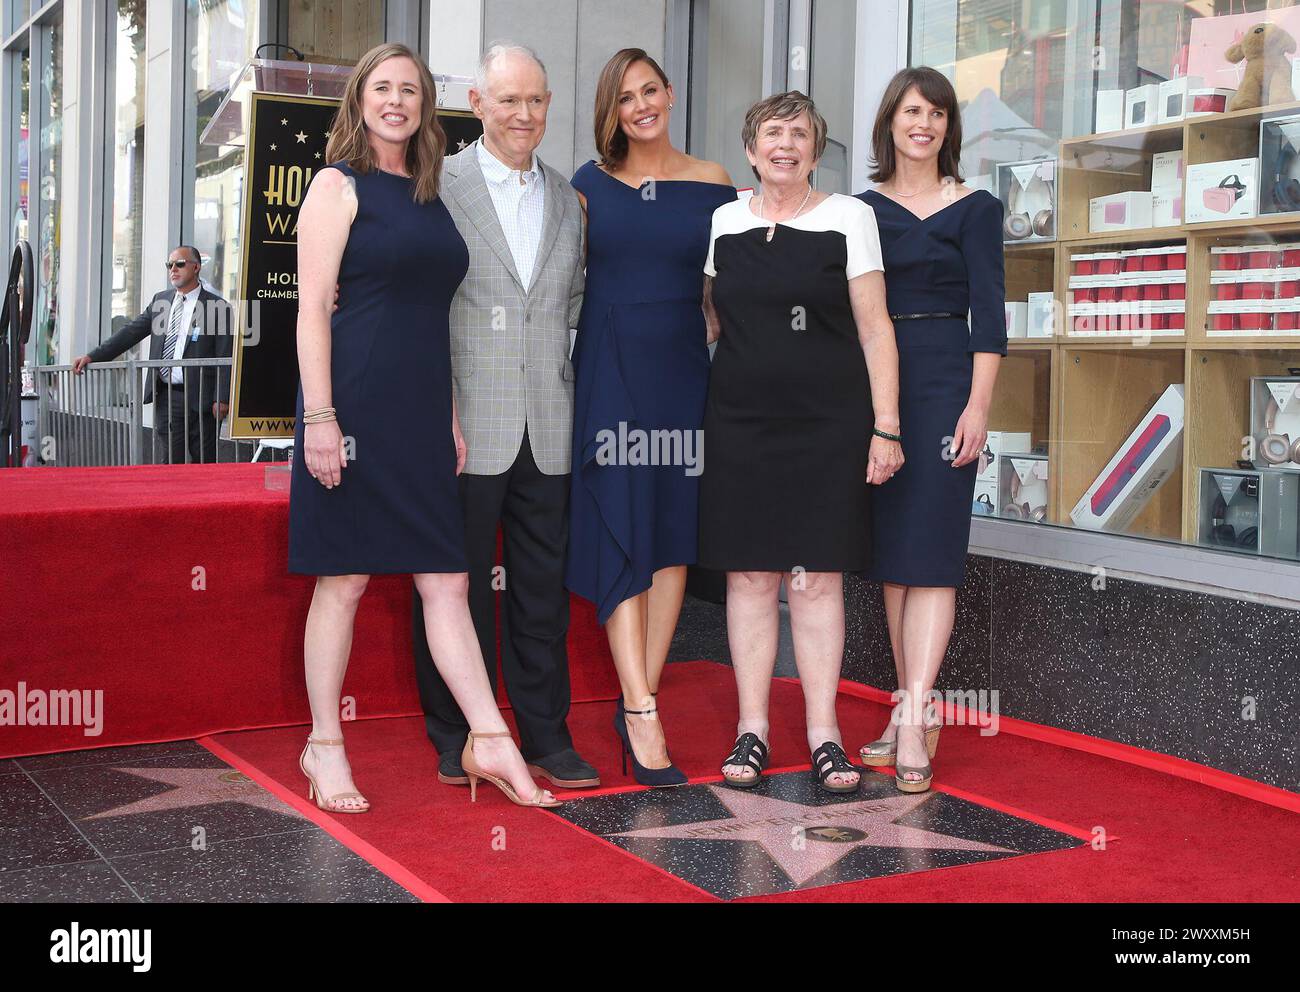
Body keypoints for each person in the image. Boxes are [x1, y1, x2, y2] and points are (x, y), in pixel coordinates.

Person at [290, 42, 559, 813]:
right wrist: (319, 417)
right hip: (353, 406)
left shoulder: (431, 192)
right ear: (360, 99)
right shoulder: (337, 186)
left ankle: (490, 739)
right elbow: (310, 310)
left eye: (411, 89)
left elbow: (433, 316)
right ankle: (325, 744)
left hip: (419, 413)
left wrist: (447, 418)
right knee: (342, 581)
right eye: (383, 87)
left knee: (447, 579)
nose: (398, 101)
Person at [700, 92, 904, 795]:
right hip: (739, 424)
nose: (784, 144)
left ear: (815, 151)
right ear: (751, 150)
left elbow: (876, 327)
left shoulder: (851, 217)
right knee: (750, 576)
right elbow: (712, 319)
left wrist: (886, 425)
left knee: (817, 580)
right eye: (770, 133)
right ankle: (751, 729)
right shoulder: (724, 220)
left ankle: (825, 735)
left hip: (829, 426)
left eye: (799, 134)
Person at [410, 43, 599, 792]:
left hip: (548, 423)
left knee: (541, 590)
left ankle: (547, 736)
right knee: (449, 587)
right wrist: (437, 409)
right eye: (509, 100)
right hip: (462, 426)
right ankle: (456, 734)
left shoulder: (567, 198)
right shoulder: (438, 185)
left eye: (538, 100)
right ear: (477, 103)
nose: (526, 115)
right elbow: (421, 305)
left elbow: (572, 309)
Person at [567, 49, 735, 787]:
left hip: (680, 371)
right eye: (625, 97)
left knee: (669, 535)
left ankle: (643, 697)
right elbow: (543, 274)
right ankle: (639, 707)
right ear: (611, 109)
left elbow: (726, 294)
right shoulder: (586, 186)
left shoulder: (715, 184)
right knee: (621, 524)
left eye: (650, 90)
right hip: (610, 369)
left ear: (669, 92)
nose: (641, 106)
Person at [855, 67, 1006, 793]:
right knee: (895, 557)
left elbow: (992, 319)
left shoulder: (976, 207)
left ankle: (915, 715)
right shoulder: (859, 210)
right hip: (878, 393)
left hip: (948, 383)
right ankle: (904, 706)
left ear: (949, 127)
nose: (925, 124)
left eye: (938, 113)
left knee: (935, 555)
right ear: (891, 120)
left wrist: (978, 408)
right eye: (913, 111)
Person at [73, 247, 232, 464]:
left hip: (202, 398)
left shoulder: (218, 307)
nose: (173, 269)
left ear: (196, 267)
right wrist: (94, 356)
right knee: (170, 461)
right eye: (169, 265)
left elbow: (225, 355)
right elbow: (130, 332)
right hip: (168, 395)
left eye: (180, 264)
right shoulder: (161, 301)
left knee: (204, 462)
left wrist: (221, 398)